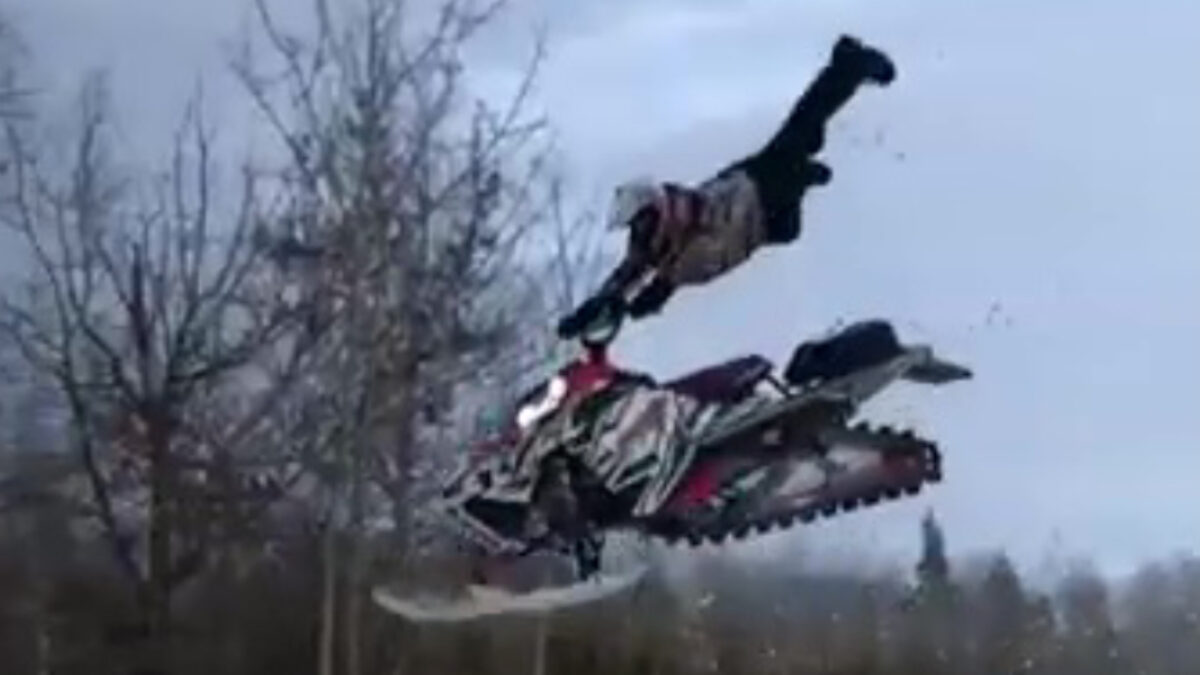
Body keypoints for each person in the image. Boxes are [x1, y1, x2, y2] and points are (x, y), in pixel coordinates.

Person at [557, 34, 897, 339]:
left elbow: (705, 240)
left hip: (756, 186)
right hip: (763, 222)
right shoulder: (649, 242)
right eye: (638, 226)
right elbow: (629, 273)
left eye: (645, 221)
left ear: (656, 209)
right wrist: (595, 307)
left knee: (802, 130)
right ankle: (808, 154)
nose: (643, 231)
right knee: (788, 227)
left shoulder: (687, 211)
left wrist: (665, 284)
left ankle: (850, 64)